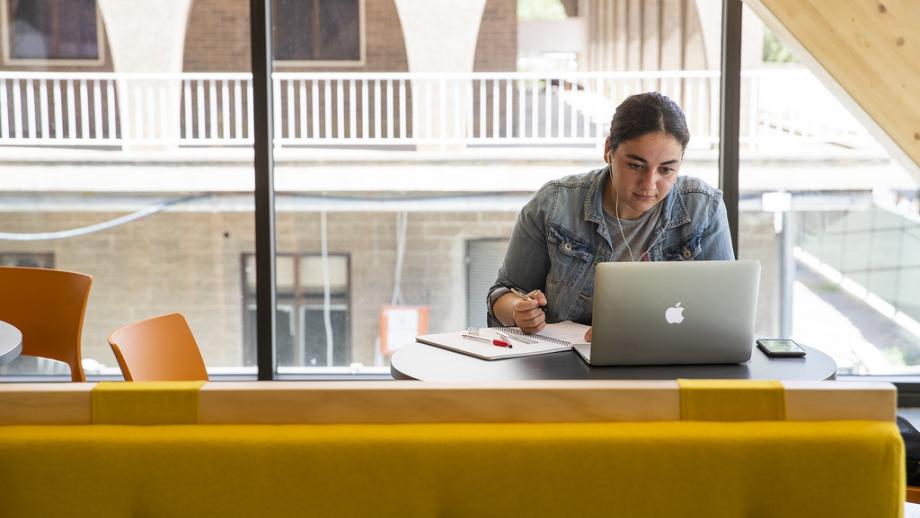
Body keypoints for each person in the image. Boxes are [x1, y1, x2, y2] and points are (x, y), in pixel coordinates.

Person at [487, 92, 734, 338]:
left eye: (666, 170)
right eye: (636, 165)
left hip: (670, 364)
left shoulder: (704, 208)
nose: (649, 184)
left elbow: (727, 312)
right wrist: (519, 311)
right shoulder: (553, 204)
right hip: (565, 364)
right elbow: (503, 293)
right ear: (608, 150)